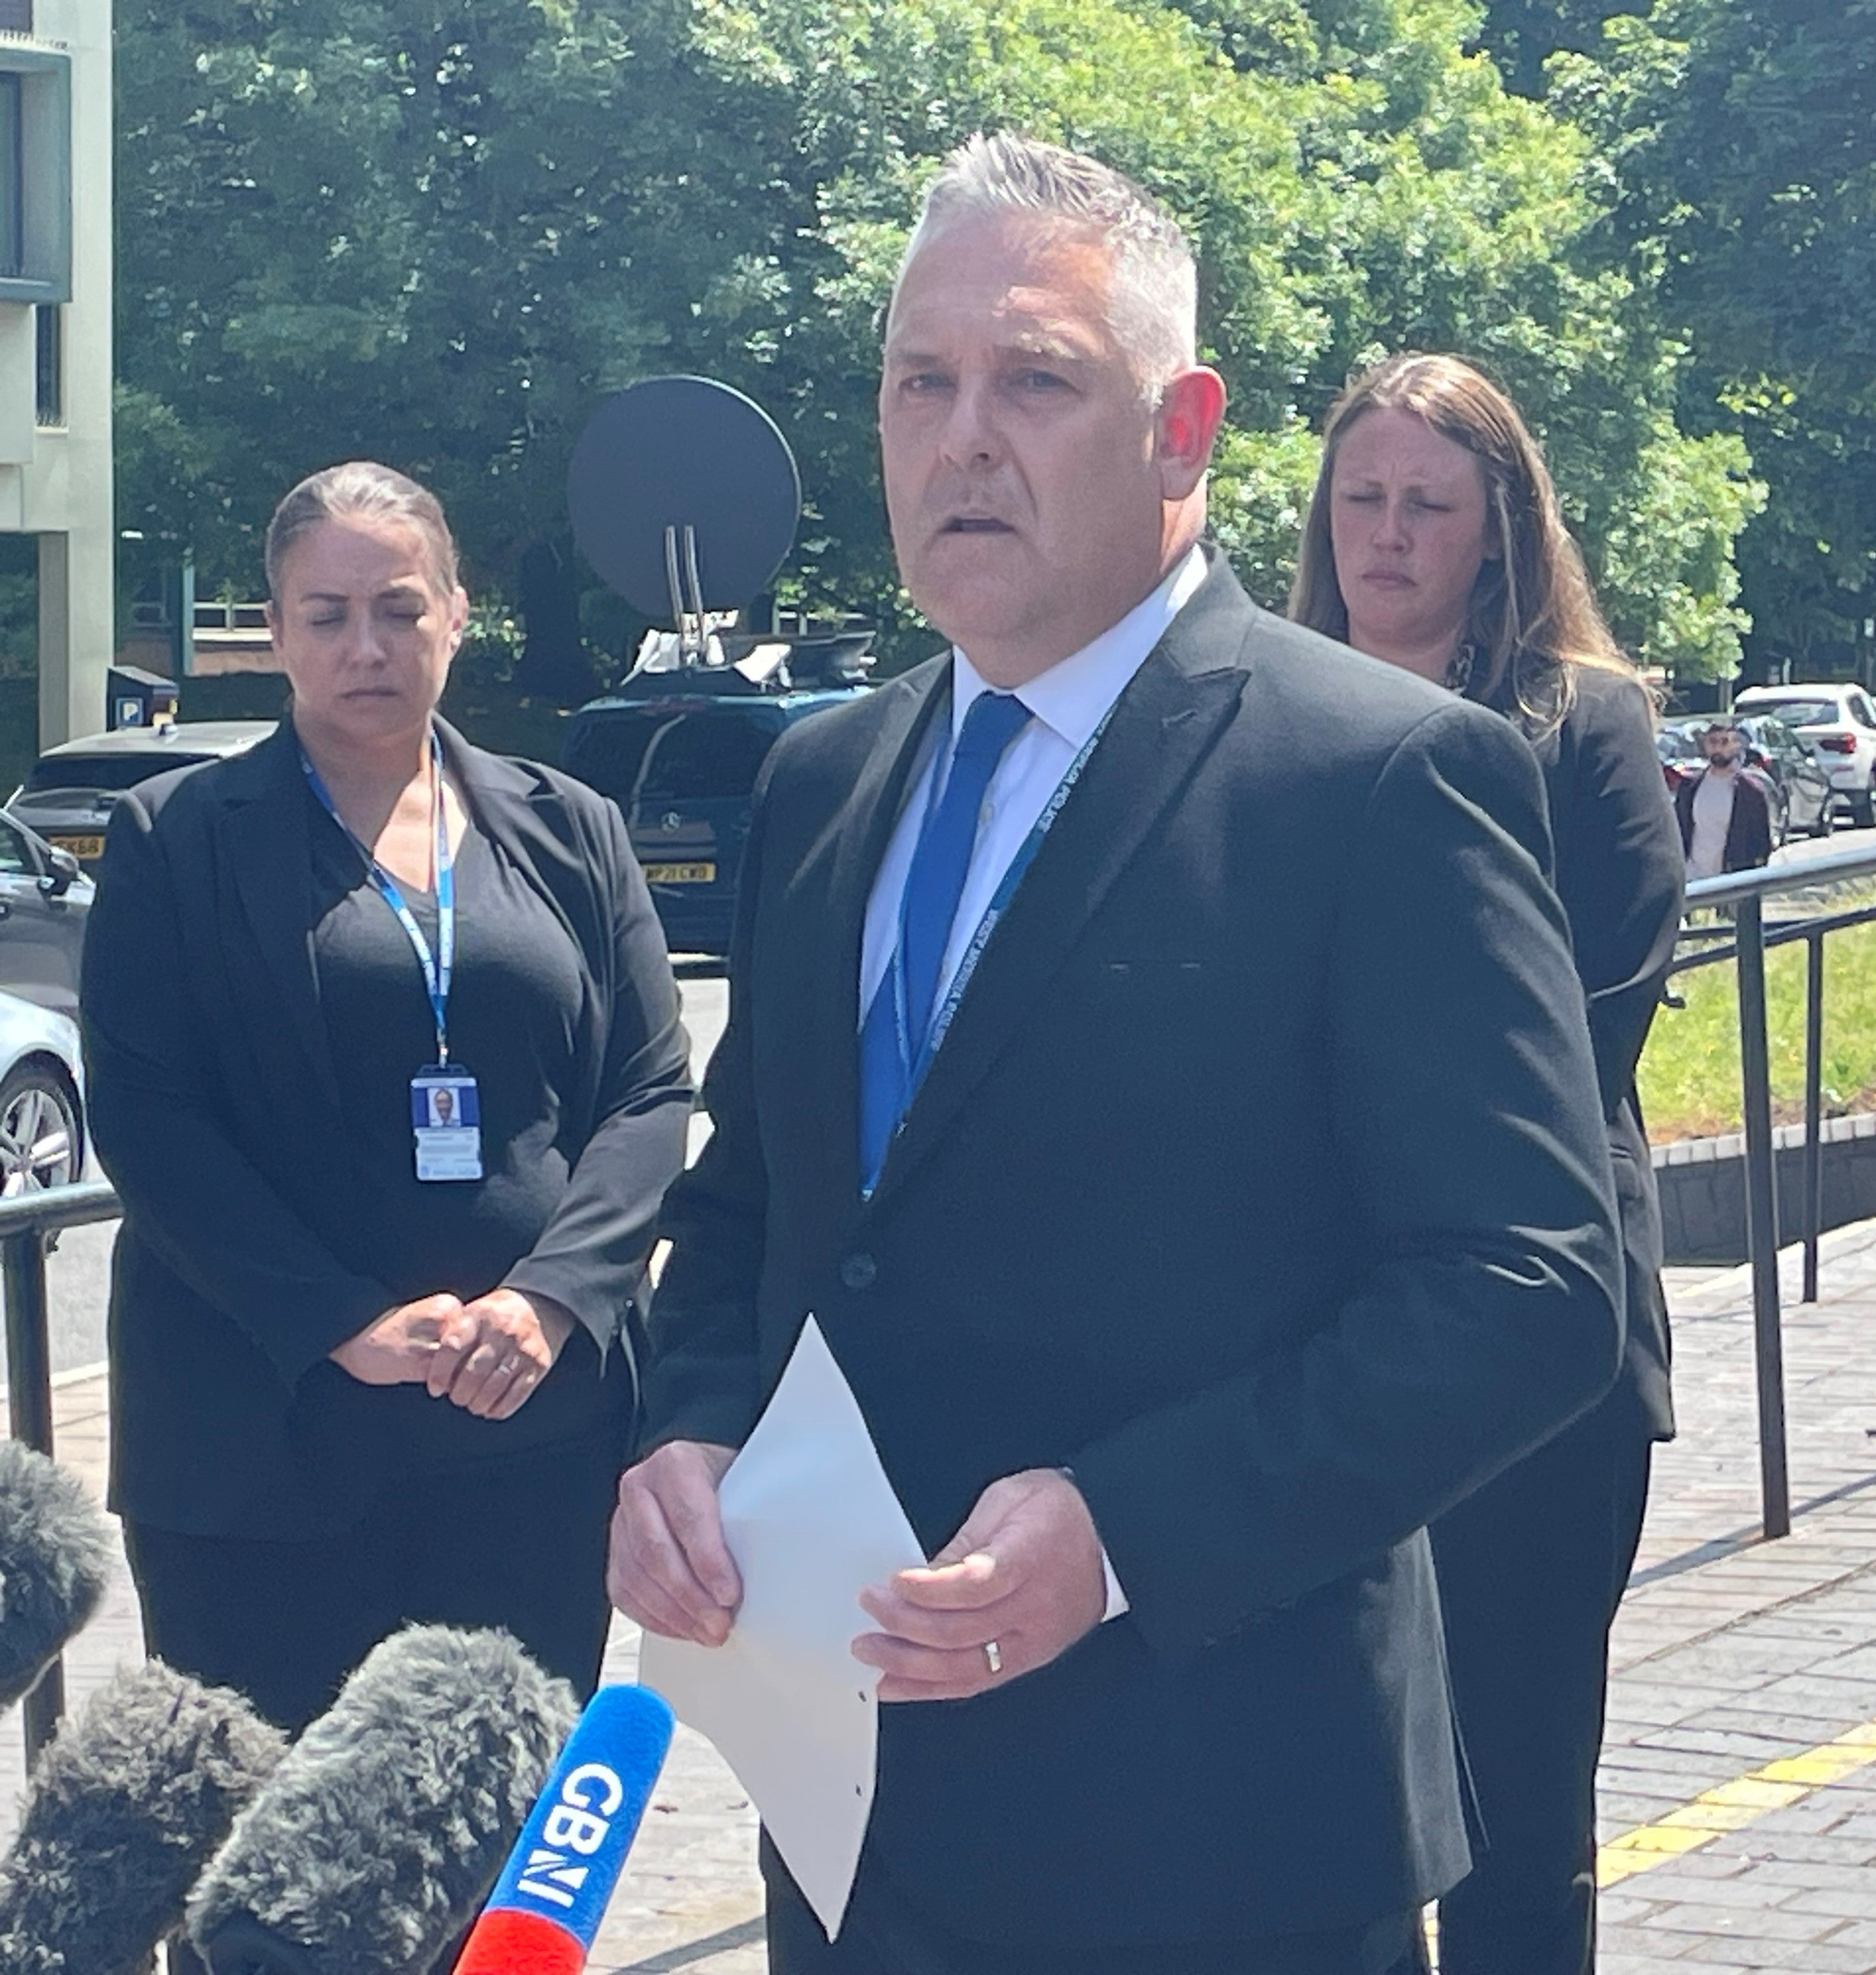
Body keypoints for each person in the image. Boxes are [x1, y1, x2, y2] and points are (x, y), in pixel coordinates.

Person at [607, 135, 1622, 1975]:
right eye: (922, 381)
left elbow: (1531, 1288)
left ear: (1184, 431)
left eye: (1034, 379)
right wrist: (683, 1434)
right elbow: (754, 1214)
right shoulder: (826, 780)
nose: (961, 436)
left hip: (1213, 1829)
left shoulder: (1377, 777)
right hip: (855, 1817)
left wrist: (1127, 1531)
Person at [80, 461, 694, 1733]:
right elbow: (149, 1117)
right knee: (270, 1883)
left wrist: (553, 1302)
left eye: (401, 609)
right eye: (328, 614)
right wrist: (340, 1323)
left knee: (491, 1854)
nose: (368, 645)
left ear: (457, 615)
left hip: (529, 1446)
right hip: (265, 1448)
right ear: (277, 629)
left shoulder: (569, 827)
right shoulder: (174, 840)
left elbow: (647, 1091)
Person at [1289, 351, 1684, 1975]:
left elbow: (1597, 1021)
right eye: (1361, 499)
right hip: (1307, 1342)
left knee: (1520, 1821)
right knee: (1327, 1816)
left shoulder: (1583, 728)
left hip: (1528, 1346)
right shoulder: (1255, 707)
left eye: (1427, 505)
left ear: (1501, 527)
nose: (1386, 535)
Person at [1674, 720, 1773, 879]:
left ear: (1736, 745)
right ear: (1705, 745)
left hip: (1731, 882)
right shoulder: (1689, 788)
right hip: (1692, 878)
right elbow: (1677, 832)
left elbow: (1762, 845)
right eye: (1713, 742)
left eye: (1725, 742)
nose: (1718, 748)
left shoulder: (1751, 792)